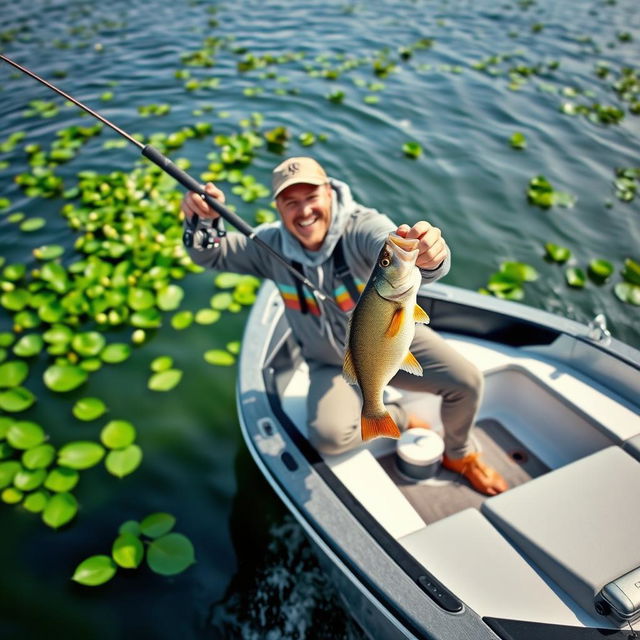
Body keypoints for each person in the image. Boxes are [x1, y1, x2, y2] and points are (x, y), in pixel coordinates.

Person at [181, 157, 507, 496]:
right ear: (278, 208)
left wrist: (430, 257)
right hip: (329, 363)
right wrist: (201, 220)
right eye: (291, 202)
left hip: (390, 340)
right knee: (330, 438)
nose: (304, 211)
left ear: (330, 192)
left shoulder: (361, 226)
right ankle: (400, 416)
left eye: (311, 198)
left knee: (467, 381)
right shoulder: (268, 247)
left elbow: (388, 243)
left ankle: (460, 455)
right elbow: (211, 254)